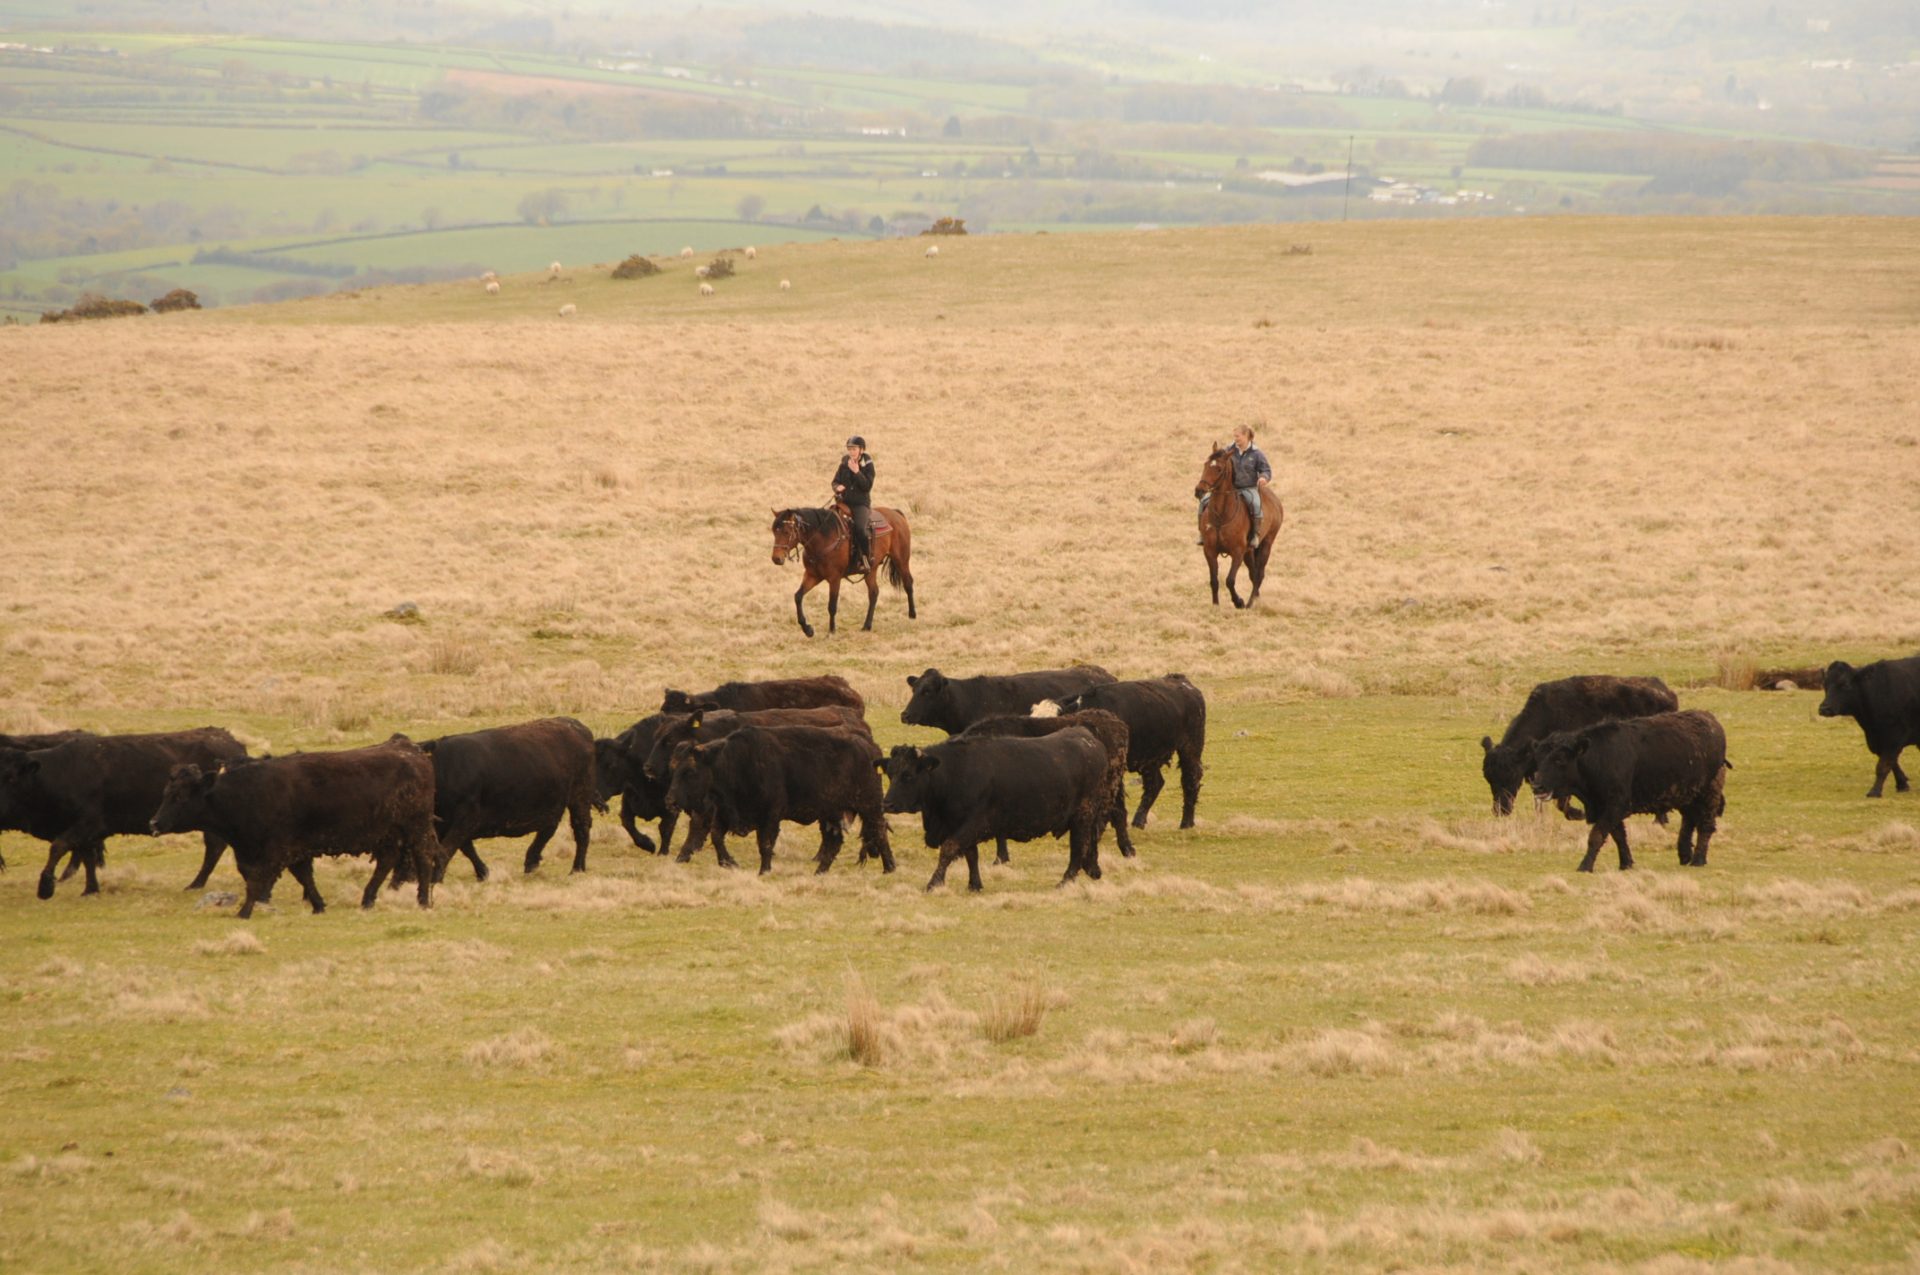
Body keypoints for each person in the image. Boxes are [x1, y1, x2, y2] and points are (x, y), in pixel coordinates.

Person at [1198, 423, 1273, 551]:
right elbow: (1218, 461)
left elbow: (1266, 470)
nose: (1235, 439)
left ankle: (1255, 535)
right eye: (1235, 436)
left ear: (1246, 436)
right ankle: (1202, 533)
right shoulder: (1229, 450)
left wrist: (1263, 477)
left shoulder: (1257, 454)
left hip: (1248, 488)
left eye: (1238, 436)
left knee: (1256, 505)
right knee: (1204, 502)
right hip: (1231, 489)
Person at [833, 435, 876, 571]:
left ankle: (866, 557)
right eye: (849, 449)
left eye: (854, 449)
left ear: (861, 450)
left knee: (860, 529)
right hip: (843, 503)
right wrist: (837, 487)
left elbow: (867, 486)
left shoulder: (868, 466)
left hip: (860, 504)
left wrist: (857, 472)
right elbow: (835, 481)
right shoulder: (844, 464)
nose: (851, 452)